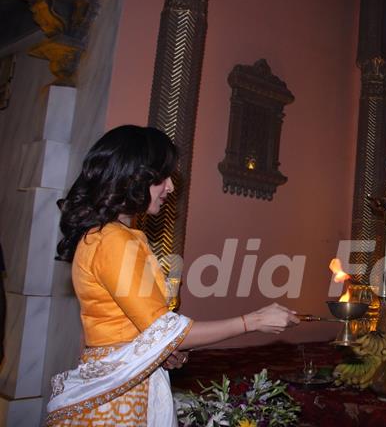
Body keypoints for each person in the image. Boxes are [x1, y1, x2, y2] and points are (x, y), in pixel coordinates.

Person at [46, 125, 299, 426]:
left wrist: (160, 352)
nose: (170, 188)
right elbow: (163, 329)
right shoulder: (113, 239)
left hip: (124, 380)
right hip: (121, 396)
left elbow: (139, 329)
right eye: (161, 177)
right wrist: (253, 321)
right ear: (134, 178)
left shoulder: (108, 236)